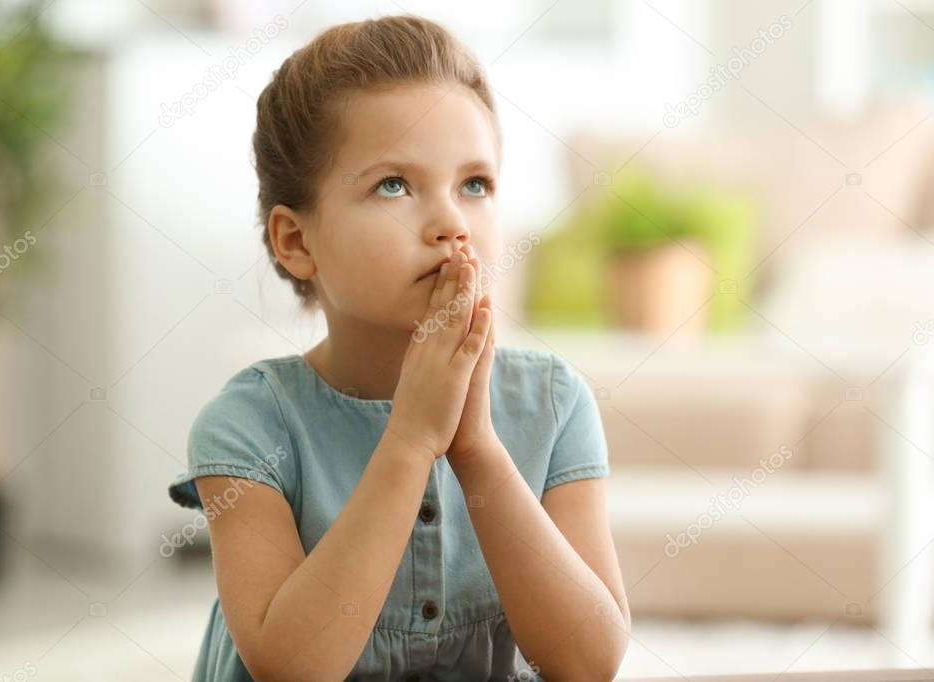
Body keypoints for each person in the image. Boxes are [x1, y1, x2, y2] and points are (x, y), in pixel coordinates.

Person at [167, 14, 630, 681]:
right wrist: (412, 438)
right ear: (296, 241)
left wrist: (476, 449)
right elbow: (294, 669)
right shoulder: (248, 427)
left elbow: (587, 664)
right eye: (393, 185)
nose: (450, 224)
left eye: (475, 184)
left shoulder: (554, 404)